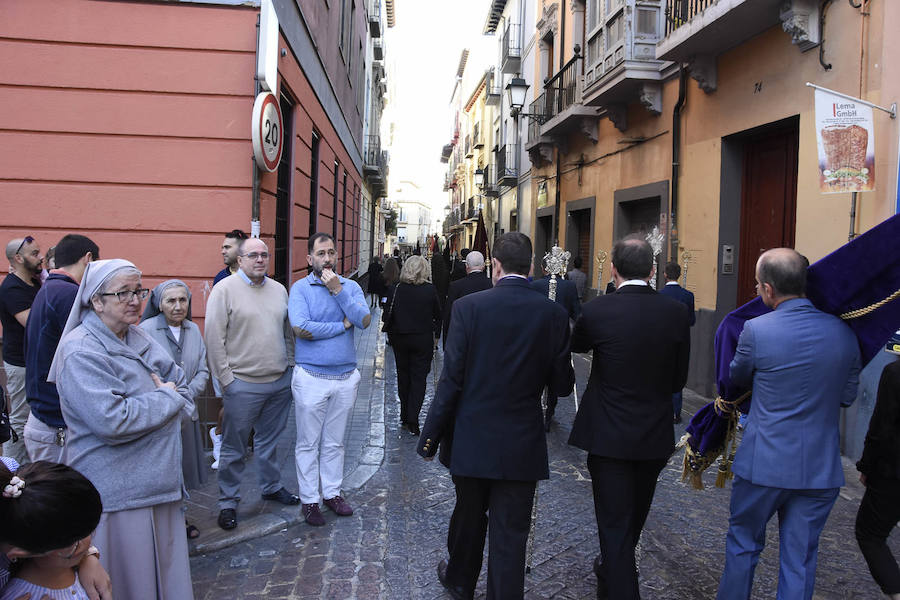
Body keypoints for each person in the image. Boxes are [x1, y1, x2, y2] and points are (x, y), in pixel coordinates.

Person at [417, 232, 575, 599]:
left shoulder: (469, 308)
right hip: (522, 442)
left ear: (495, 267)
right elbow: (563, 386)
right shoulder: (552, 314)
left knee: (469, 517)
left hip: (473, 438)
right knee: (510, 533)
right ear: (531, 267)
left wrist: (430, 438)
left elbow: (450, 381)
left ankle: (460, 580)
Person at [716, 248, 861, 600]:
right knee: (800, 559)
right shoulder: (845, 334)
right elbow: (847, 396)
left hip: (764, 463)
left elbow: (735, 378)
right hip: (818, 468)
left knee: (743, 545)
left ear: (767, 290)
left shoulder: (756, 330)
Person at [50, 259, 195, 599]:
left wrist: (165, 400)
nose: (135, 300)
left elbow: (185, 388)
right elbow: (113, 421)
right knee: (132, 585)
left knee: (165, 582)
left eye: (139, 291)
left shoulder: (138, 335)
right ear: (96, 301)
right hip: (120, 496)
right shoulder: (81, 350)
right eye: (123, 293)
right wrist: (165, 398)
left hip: (160, 487)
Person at [568, 236, 691, 600]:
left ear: (614, 270)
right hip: (653, 435)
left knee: (615, 524)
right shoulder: (676, 313)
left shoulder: (599, 310)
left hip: (608, 434)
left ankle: (618, 581)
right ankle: (611, 571)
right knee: (631, 519)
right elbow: (678, 380)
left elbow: (577, 345)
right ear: (653, 271)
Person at [205, 237, 299, 531]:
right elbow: (213, 338)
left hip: (278, 382)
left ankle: (271, 486)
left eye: (265, 255)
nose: (260, 260)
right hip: (242, 384)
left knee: (270, 442)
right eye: (253, 255)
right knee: (234, 448)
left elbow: (287, 332)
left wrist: (291, 366)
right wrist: (227, 381)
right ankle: (228, 502)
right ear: (241, 259)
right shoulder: (224, 290)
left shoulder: (279, 290)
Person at [289, 233, 371, 527]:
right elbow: (300, 327)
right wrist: (340, 325)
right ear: (310, 258)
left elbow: (363, 321)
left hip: (345, 377)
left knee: (335, 442)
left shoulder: (349, 287)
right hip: (311, 377)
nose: (327, 258)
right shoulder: (300, 289)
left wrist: (338, 291)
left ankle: (332, 493)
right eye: (321, 253)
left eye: (331, 253)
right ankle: (309, 499)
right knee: (308, 442)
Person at [140, 280, 209, 540]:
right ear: (159, 304)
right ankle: (162, 523)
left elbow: (202, 369)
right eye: (171, 301)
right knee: (163, 471)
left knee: (183, 469)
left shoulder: (193, 330)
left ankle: (181, 517)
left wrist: (185, 396)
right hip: (160, 416)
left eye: (183, 300)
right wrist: (170, 398)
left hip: (187, 413)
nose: (178, 306)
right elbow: (144, 372)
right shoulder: (145, 330)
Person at [24, 234, 98, 462]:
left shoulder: (49, 288)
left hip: (43, 411)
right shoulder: (69, 295)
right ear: (88, 259)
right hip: (54, 421)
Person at [0, 460, 105, 600]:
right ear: (20, 552)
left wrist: (87, 557)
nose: (84, 544)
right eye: (74, 546)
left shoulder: (14, 478)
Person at [855, 339, 900, 600]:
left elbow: (881, 427)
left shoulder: (895, 374)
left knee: (870, 534)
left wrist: (866, 466)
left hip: (892, 471)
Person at [383, 255, 442, 435]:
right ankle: (413, 419)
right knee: (419, 379)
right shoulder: (430, 290)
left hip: (400, 338)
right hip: (422, 339)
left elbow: (387, 314)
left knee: (403, 376)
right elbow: (438, 316)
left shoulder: (396, 289)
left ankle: (404, 414)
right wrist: (437, 337)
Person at [1, 236, 43, 465]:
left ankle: (28, 466)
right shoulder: (11, 288)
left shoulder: (35, 282)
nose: (40, 256)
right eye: (34, 253)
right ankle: (9, 469)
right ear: (18, 258)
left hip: (34, 360)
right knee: (20, 418)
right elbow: (33, 323)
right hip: (20, 364)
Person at [209, 230, 247, 469]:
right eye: (222, 247)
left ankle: (231, 445)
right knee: (228, 403)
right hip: (224, 354)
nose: (223, 251)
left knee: (240, 405)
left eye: (227, 247)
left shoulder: (251, 278)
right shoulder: (220, 279)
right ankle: (219, 437)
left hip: (247, 355)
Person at [531, 260, 582, 431]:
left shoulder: (535, 285)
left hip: (538, 337)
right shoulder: (569, 286)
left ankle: (538, 406)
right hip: (560, 337)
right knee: (556, 372)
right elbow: (577, 314)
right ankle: (550, 408)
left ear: (542, 268)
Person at [658, 261, 696, 424]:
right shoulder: (688, 295)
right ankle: (676, 412)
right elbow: (691, 320)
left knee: (661, 373)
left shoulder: (659, 295)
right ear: (679, 275)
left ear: (665, 274)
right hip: (681, 339)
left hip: (662, 339)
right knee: (678, 373)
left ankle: (662, 408)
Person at [442, 251, 491, 351]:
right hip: (487, 339)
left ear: (467, 266)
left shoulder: (456, 286)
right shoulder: (492, 284)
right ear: (483, 266)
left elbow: (448, 315)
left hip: (463, 339)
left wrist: (446, 343)